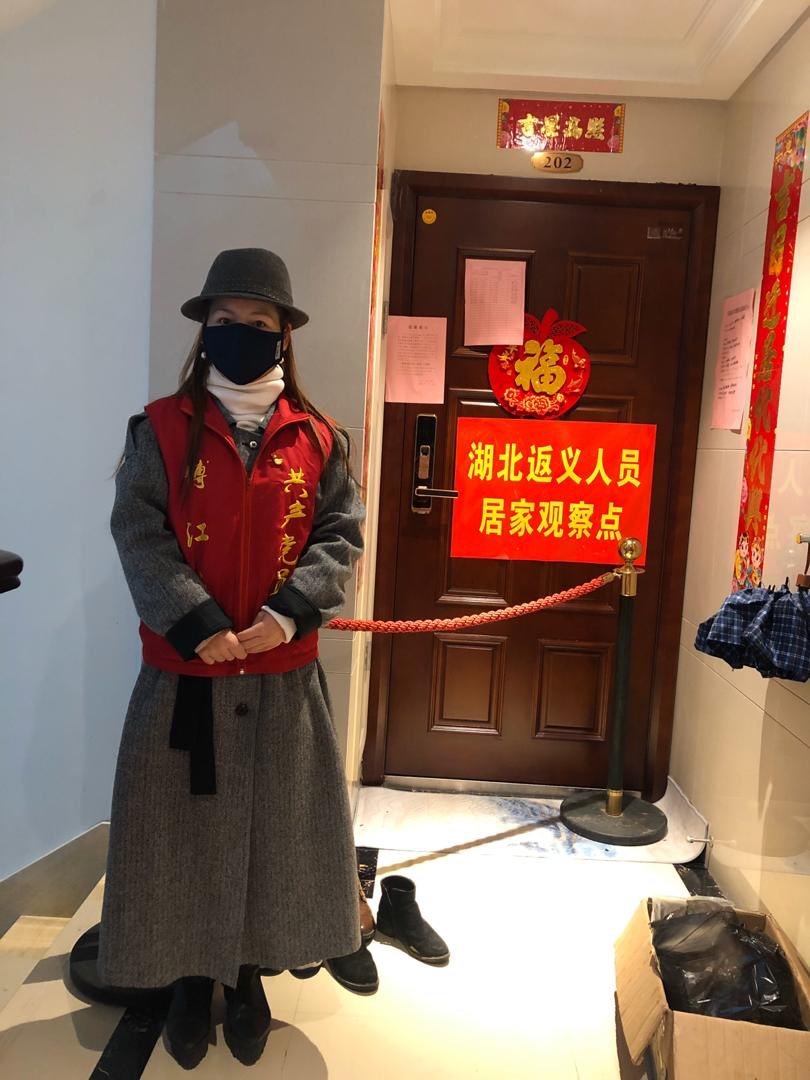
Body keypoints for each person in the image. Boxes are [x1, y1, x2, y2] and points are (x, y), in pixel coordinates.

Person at [97, 248, 365, 1069]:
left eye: (258, 322)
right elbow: (139, 532)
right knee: (179, 842)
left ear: (284, 336)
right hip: (185, 682)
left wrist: (287, 616)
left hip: (282, 681)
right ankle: (187, 982)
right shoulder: (159, 429)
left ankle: (248, 979)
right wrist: (195, 621)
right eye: (225, 321)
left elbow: (340, 536)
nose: (241, 334)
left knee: (274, 841)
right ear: (204, 330)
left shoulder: (319, 438)